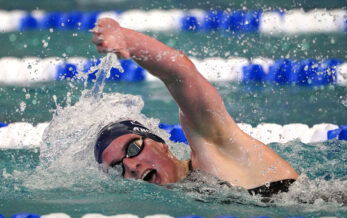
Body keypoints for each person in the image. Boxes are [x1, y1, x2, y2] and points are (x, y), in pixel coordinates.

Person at [92, 18, 298, 197]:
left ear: (160, 143)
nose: (130, 166)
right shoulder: (181, 197)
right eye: (117, 168)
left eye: (132, 148)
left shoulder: (214, 147)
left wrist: (127, 40)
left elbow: (180, 75)